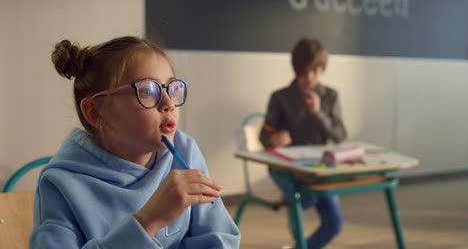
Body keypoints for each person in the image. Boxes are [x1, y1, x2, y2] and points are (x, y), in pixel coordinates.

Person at [29, 36, 241, 248]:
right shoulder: (60, 183)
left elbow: (219, 236)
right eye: (148, 91)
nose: (169, 104)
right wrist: (148, 221)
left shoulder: (185, 150)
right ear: (95, 112)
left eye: (171, 89)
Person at [259, 38, 346, 248]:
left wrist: (319, 114)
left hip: (319, 169)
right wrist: (273, 139)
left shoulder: (331, 96)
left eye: (314, 71)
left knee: (334, 222)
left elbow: (340, 136)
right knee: (305, 199)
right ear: (296, 69)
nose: (309, 78)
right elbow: (264, 133)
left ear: (322, 69)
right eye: (304, 72)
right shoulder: (280, 97)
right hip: (286, 169)